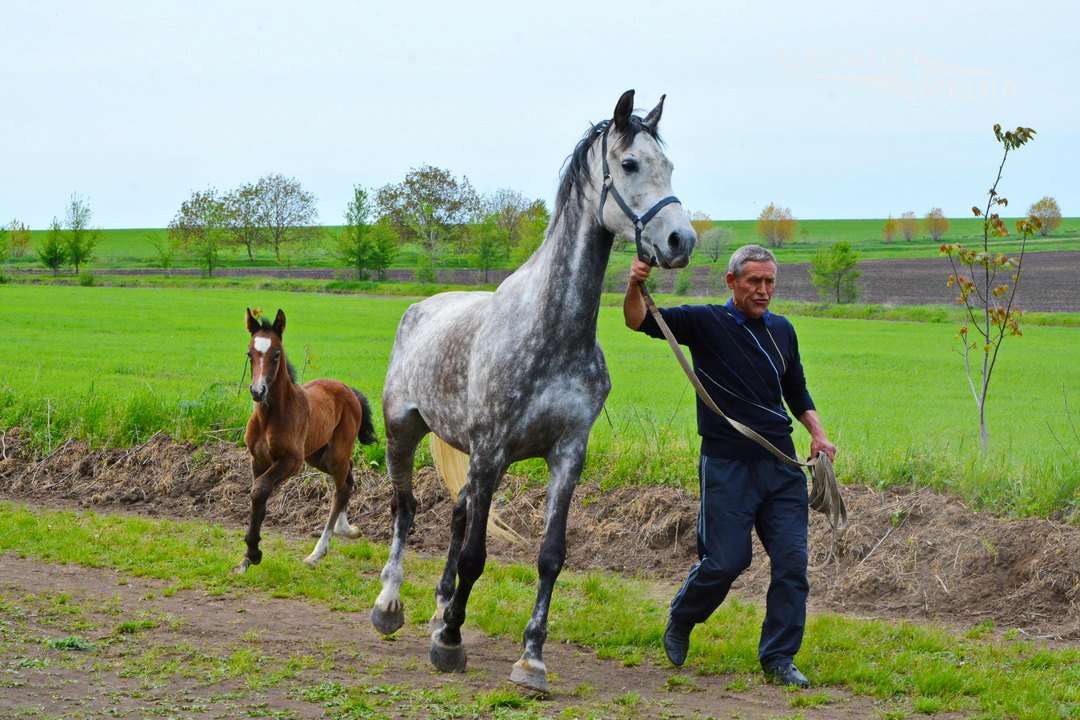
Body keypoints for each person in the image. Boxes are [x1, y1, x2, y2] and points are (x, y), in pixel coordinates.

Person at [623, 244, 836, 688]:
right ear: (731, 282)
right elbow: (637, 319)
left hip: (781, 468)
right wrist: (635, 283)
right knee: (725, 562)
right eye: (754, 281)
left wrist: (817, 432)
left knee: (793, 566)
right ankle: (683, 616)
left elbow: (797, 391)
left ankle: (778, 658)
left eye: (770, 282)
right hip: (727, 467)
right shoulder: (705, 322)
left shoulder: (783, 330)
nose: (763, 291)